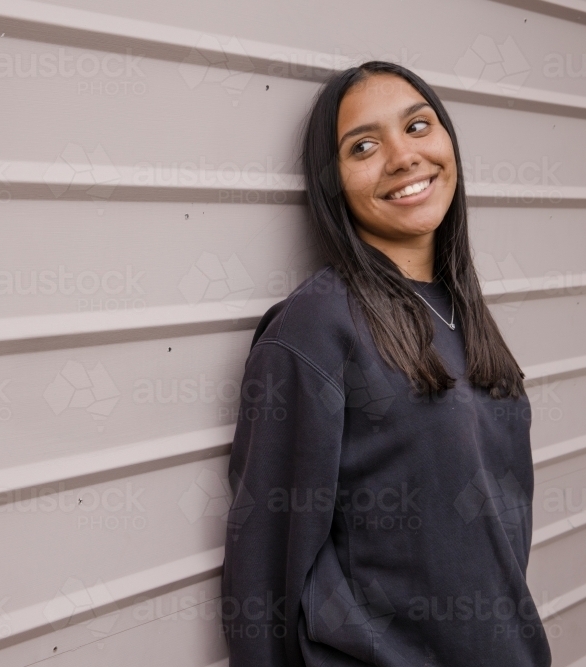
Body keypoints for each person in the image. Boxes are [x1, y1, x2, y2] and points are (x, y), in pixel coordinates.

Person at [220, 61, 552, 667]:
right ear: (333, 183)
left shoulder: (464, 312)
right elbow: (262, 573)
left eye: (419, 127)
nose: (402, 158)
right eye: (364, 146)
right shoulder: (316, 328)